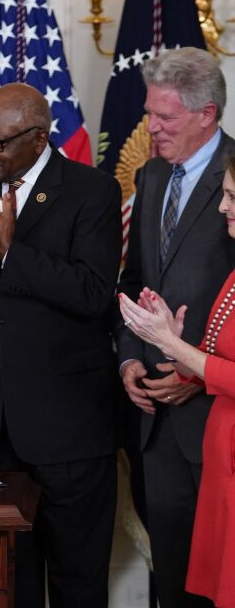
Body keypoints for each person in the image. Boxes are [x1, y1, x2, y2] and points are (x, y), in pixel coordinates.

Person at [0, 83, 122, 608]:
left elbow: (95, 296)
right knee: (10, 586)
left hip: (72, 433)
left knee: (78, 585)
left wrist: (11, 252)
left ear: (38, 138)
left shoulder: (92, 191)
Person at [116, 47, 235, 608]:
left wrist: (194, 369)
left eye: (165, 117)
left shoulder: (234, 177)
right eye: (149, 113)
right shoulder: (151, 174)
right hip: (156, 419)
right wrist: (131, 359)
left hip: (220, 415)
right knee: (173, 580)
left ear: (206, 114)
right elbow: (135, 282)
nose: (151, 127)